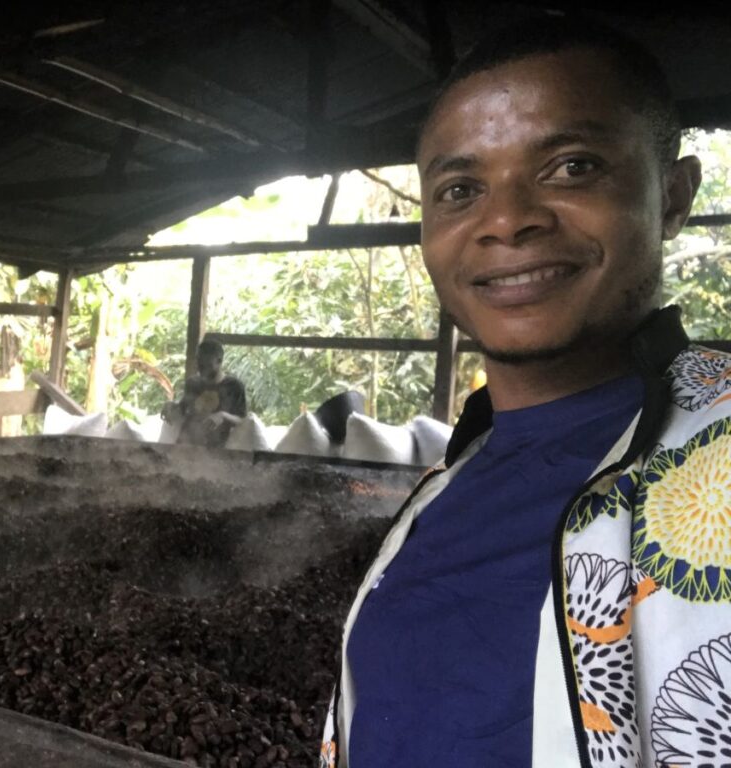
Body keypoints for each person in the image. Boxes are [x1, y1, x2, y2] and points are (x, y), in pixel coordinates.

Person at [321, 17, 731, 768]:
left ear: (673, 197)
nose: (505, 220)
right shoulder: (445, 489)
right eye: (460, 189)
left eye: (572, 167)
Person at [161, 339, 247, 449]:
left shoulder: (234, 386)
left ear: (219, 361)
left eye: (206, 364)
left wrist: (223, 415)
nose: (200, 368)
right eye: (198, 362)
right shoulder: (192, 383)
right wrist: (171, 407)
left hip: (215, 451)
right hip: (184, 446)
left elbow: (243, 421)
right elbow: (182, 410)